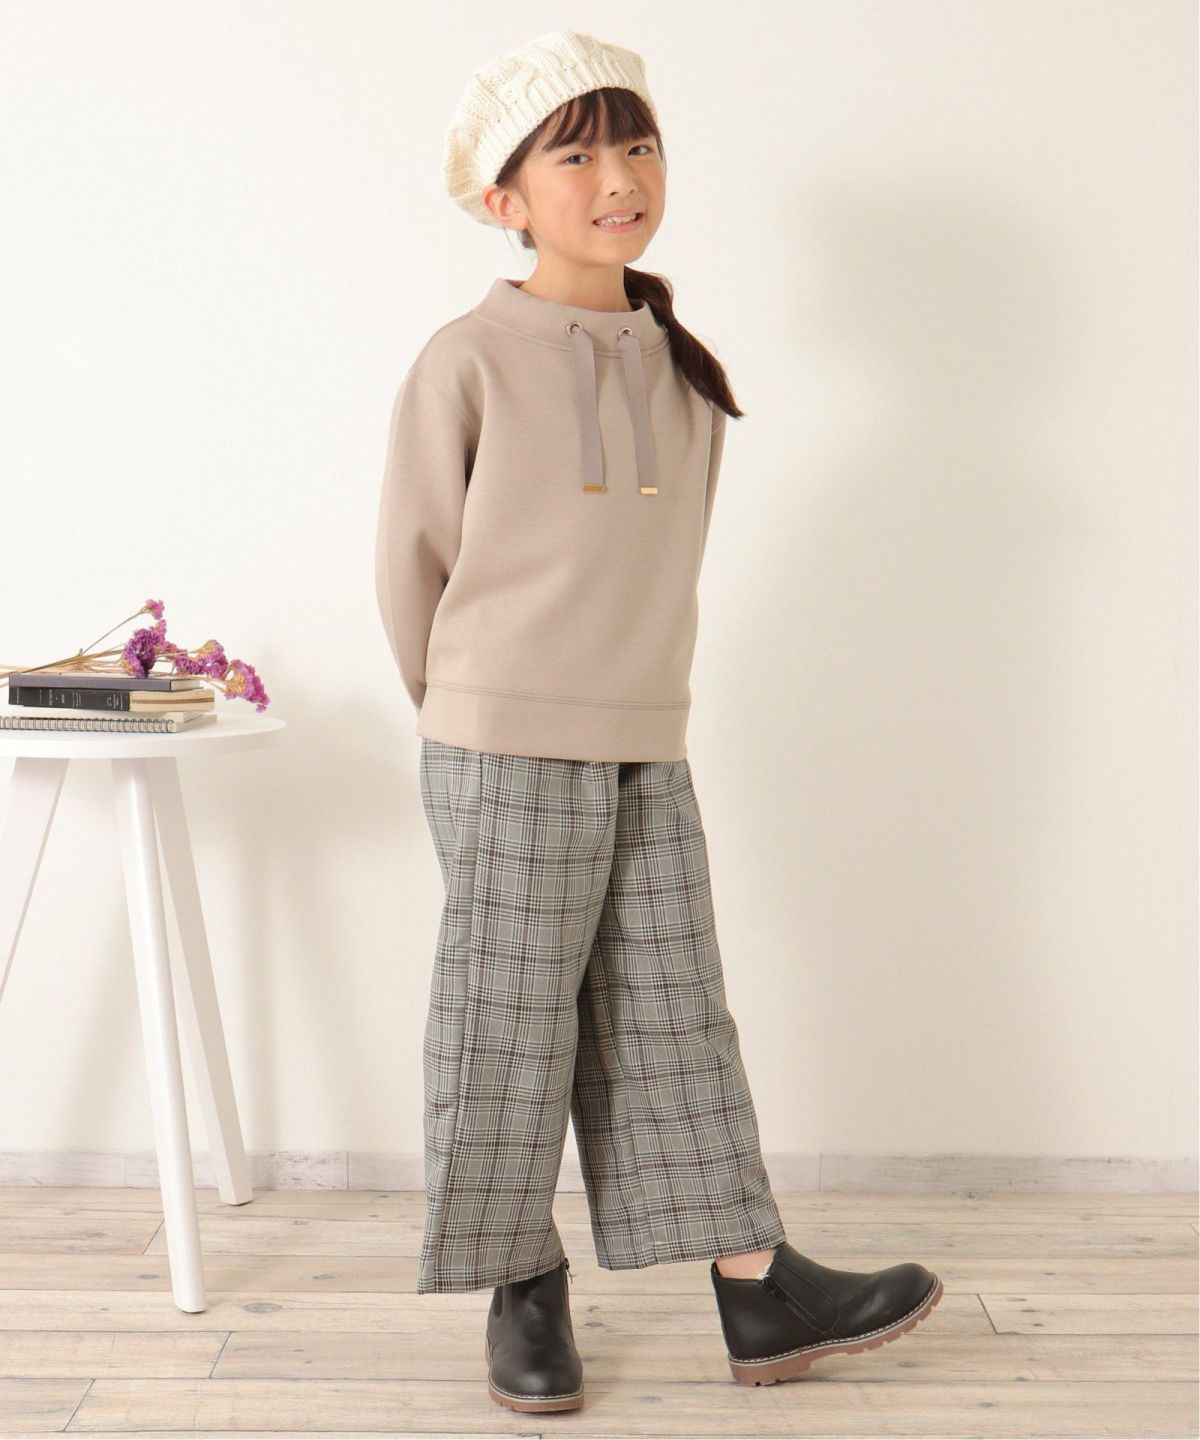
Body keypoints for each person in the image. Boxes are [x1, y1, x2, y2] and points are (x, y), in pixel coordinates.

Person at [375, 28, 942, 1414]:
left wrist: (632, 711)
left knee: (673, 1009)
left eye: (637, 146)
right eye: (576, 156)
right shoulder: (467, 359)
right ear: (505, 197)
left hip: (645, 737)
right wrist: (474, 718)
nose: (618, 177)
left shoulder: (685, 372)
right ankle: (522, 1282)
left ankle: (756, 1286)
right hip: (503, 741)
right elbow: (412, 567)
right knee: (510, 1020)